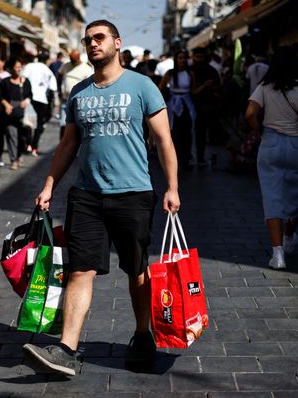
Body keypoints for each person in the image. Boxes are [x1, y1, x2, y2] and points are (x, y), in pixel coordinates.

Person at [22, 19, 180, 377]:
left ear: (117, 43)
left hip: (133, 193)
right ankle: (67, 349)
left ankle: (142, 335)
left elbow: (164, 140)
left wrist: (172, 187)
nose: (93, 44)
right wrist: (49, 184)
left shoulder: (142, 86)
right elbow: (68, 144)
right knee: (79, 271)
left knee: (136, 270)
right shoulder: (79, 92)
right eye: (88, 39)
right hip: (87, 196)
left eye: (99, 38)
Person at [245, 46, 298, 270]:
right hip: (297, 145)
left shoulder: (264, 87)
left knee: (272, 199)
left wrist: (260, 131)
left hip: (271, 144)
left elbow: (249, 114)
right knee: (294, 198)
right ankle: (288, 238)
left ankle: (278, 255)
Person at [159, 50, 196, 169]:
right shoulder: (170, 73)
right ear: (176, 60)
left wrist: (204, 87)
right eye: (180, 58)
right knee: (175, 132)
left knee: (187, 132)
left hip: (187, 105)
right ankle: (175, 159)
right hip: (173, 106)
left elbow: (193, 90)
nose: (183, 60)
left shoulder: (190, 74)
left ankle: (186, 159)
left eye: (184, 58)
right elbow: (161, 87)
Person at [0, 57, 32, 170]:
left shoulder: (25, 81)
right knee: (11, 137)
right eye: (16, 67)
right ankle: (13, 160)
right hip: (9, 113)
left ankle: (20, 155)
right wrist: (6, 104)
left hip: (23, 113)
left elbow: (30, 95)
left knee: (22, 137)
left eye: (19, 67)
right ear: (11, 68)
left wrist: (27, 100)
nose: (18, 69)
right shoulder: (5, 82)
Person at [22, 54, 57, 156]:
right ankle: (35, 147)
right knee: (39, 123)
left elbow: (22, 79)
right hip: (42, 100)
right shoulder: (48, 70)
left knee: (28, 121)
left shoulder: (29, 66)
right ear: (46, 60)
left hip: (29, 98)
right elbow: (53, 88)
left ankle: (28, 144)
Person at [190, 47, 220, 166]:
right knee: (199, 133)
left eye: (200, 57)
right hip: (195, 106)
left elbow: (218, 86)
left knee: (208, 133)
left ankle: (206, 157)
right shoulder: (190, 70)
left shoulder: (211, 70)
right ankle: (200, 157)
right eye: (197, 57)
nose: (198, 59)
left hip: (209, 106)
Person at [57, 50, 93, 139]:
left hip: (79, 102)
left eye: (74, 60)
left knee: (77, 126)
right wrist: (59, 91)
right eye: (71, 59)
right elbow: (59, 75)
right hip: (65, 100)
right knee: (63, 124)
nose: (72, 62)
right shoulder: (66, 65)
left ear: (78, 58)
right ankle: (62, 144)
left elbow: (91, 84)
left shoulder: (87, 69)